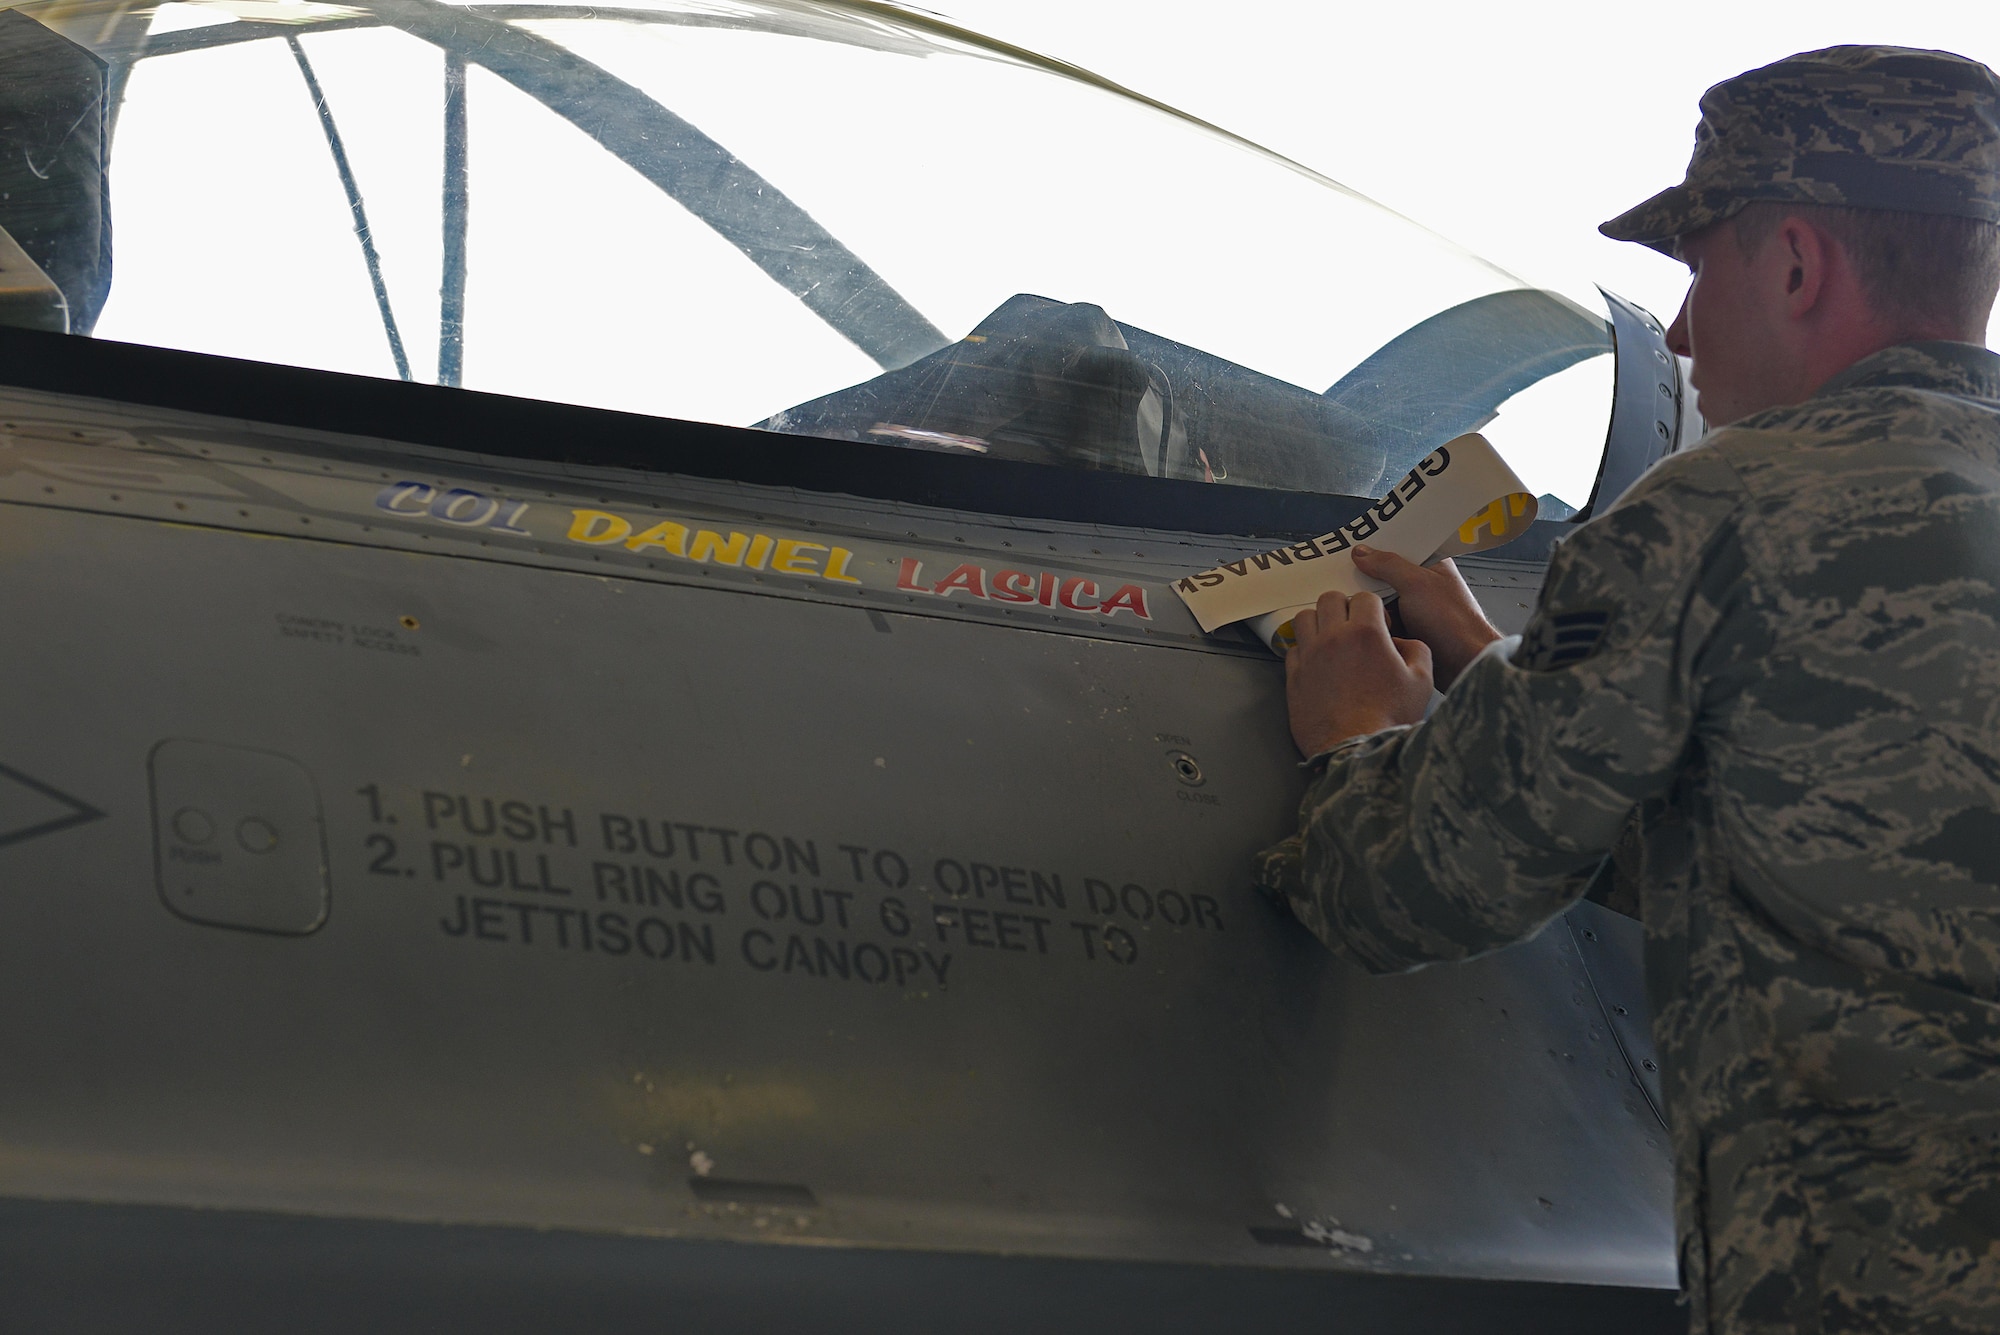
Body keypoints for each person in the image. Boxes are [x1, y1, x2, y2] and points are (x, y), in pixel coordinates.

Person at [1257, 45, 2000, 1335]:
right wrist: (1502, 681)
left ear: (1793, 266)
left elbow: (1405, 886)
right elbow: (1848, 842)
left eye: (1699, 268)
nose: (1681, 332)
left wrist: (1359, 741)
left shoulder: (1713, 518)